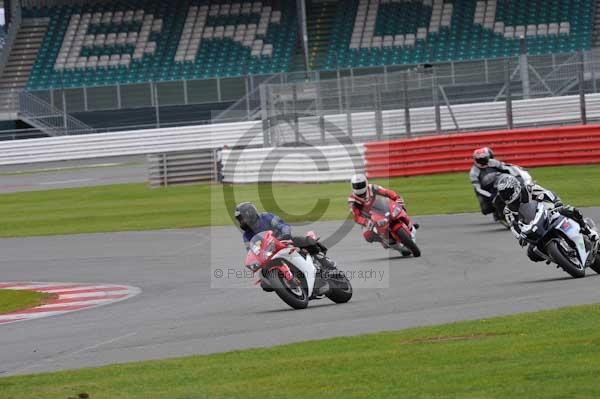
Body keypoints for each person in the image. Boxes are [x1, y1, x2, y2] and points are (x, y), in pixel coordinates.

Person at [496, 174, 598, 262]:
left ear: (515, 187)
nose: (506, 196)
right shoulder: (508, 210)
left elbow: (546, 193)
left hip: (548, 213)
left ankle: (588, 231)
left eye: (507, 192)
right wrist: (520, 236)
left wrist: (556, 202)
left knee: (570, 210)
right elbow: (513, 225)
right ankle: (556, 256)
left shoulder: (528, 189)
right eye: (503, 194)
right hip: (532, 227)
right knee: (532, 254)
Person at [234, 202, 335, 274]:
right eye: (239, 220)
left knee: (305, 241)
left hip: (284, 242)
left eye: (241, 218)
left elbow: (283, 225)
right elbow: (251, 251)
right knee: (264, 279)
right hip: (270, 254)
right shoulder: (246, 235)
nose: (241, 222)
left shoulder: (266, 217)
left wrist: (286, 234)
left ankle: (324, 262)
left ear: (249, 214)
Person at [348, 173, 413, 248]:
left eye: (361, 184)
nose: (359, 187)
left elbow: (387, 192)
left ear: (366, 182)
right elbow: (356, 216)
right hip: (369, 218)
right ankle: (383, 241)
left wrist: (396, 198)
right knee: (367, 235)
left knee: (399, 208)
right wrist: (366, 222)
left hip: (382, 208)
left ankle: (410, 225)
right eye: (356, 185)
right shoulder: (352, 200)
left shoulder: (373, 188)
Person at [470, 147, 524, 216]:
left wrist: (516, 176)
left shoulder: (493, 162)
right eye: (480, 159)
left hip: (500, 182)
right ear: (475, 160)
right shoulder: (474, 172)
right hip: (488, 190)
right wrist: (490, 195)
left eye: (484, 158)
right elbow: (478, 188)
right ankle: (500, 213)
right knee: (486, 207)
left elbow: (506, 169)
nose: (482, 161)